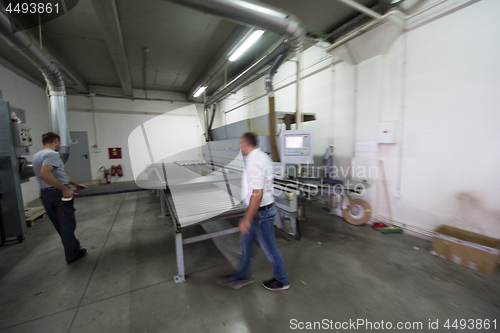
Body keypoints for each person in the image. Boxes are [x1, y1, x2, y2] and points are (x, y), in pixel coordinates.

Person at [217, 132, 289, 291]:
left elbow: (257, 194)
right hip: (257, 211)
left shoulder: (255, 161)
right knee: (246, 243)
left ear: (246, 143)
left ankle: (282, 280)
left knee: (269, 248)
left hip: (260, 213)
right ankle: (240, 276)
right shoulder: (261, 157)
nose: (239, 146)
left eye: (240, 143)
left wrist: (247, 219)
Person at [32, 132, 88, 264]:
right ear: (56, 141)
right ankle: (72, 255)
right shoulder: (52, 154)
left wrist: (75, 184)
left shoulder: (36, 156)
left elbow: (59, 173)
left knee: (61, 225)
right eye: (59, 142)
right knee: (67, 224)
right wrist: (64, 189)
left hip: (45, 194)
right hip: (58, 194)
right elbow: (44, 174)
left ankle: (74, 249)